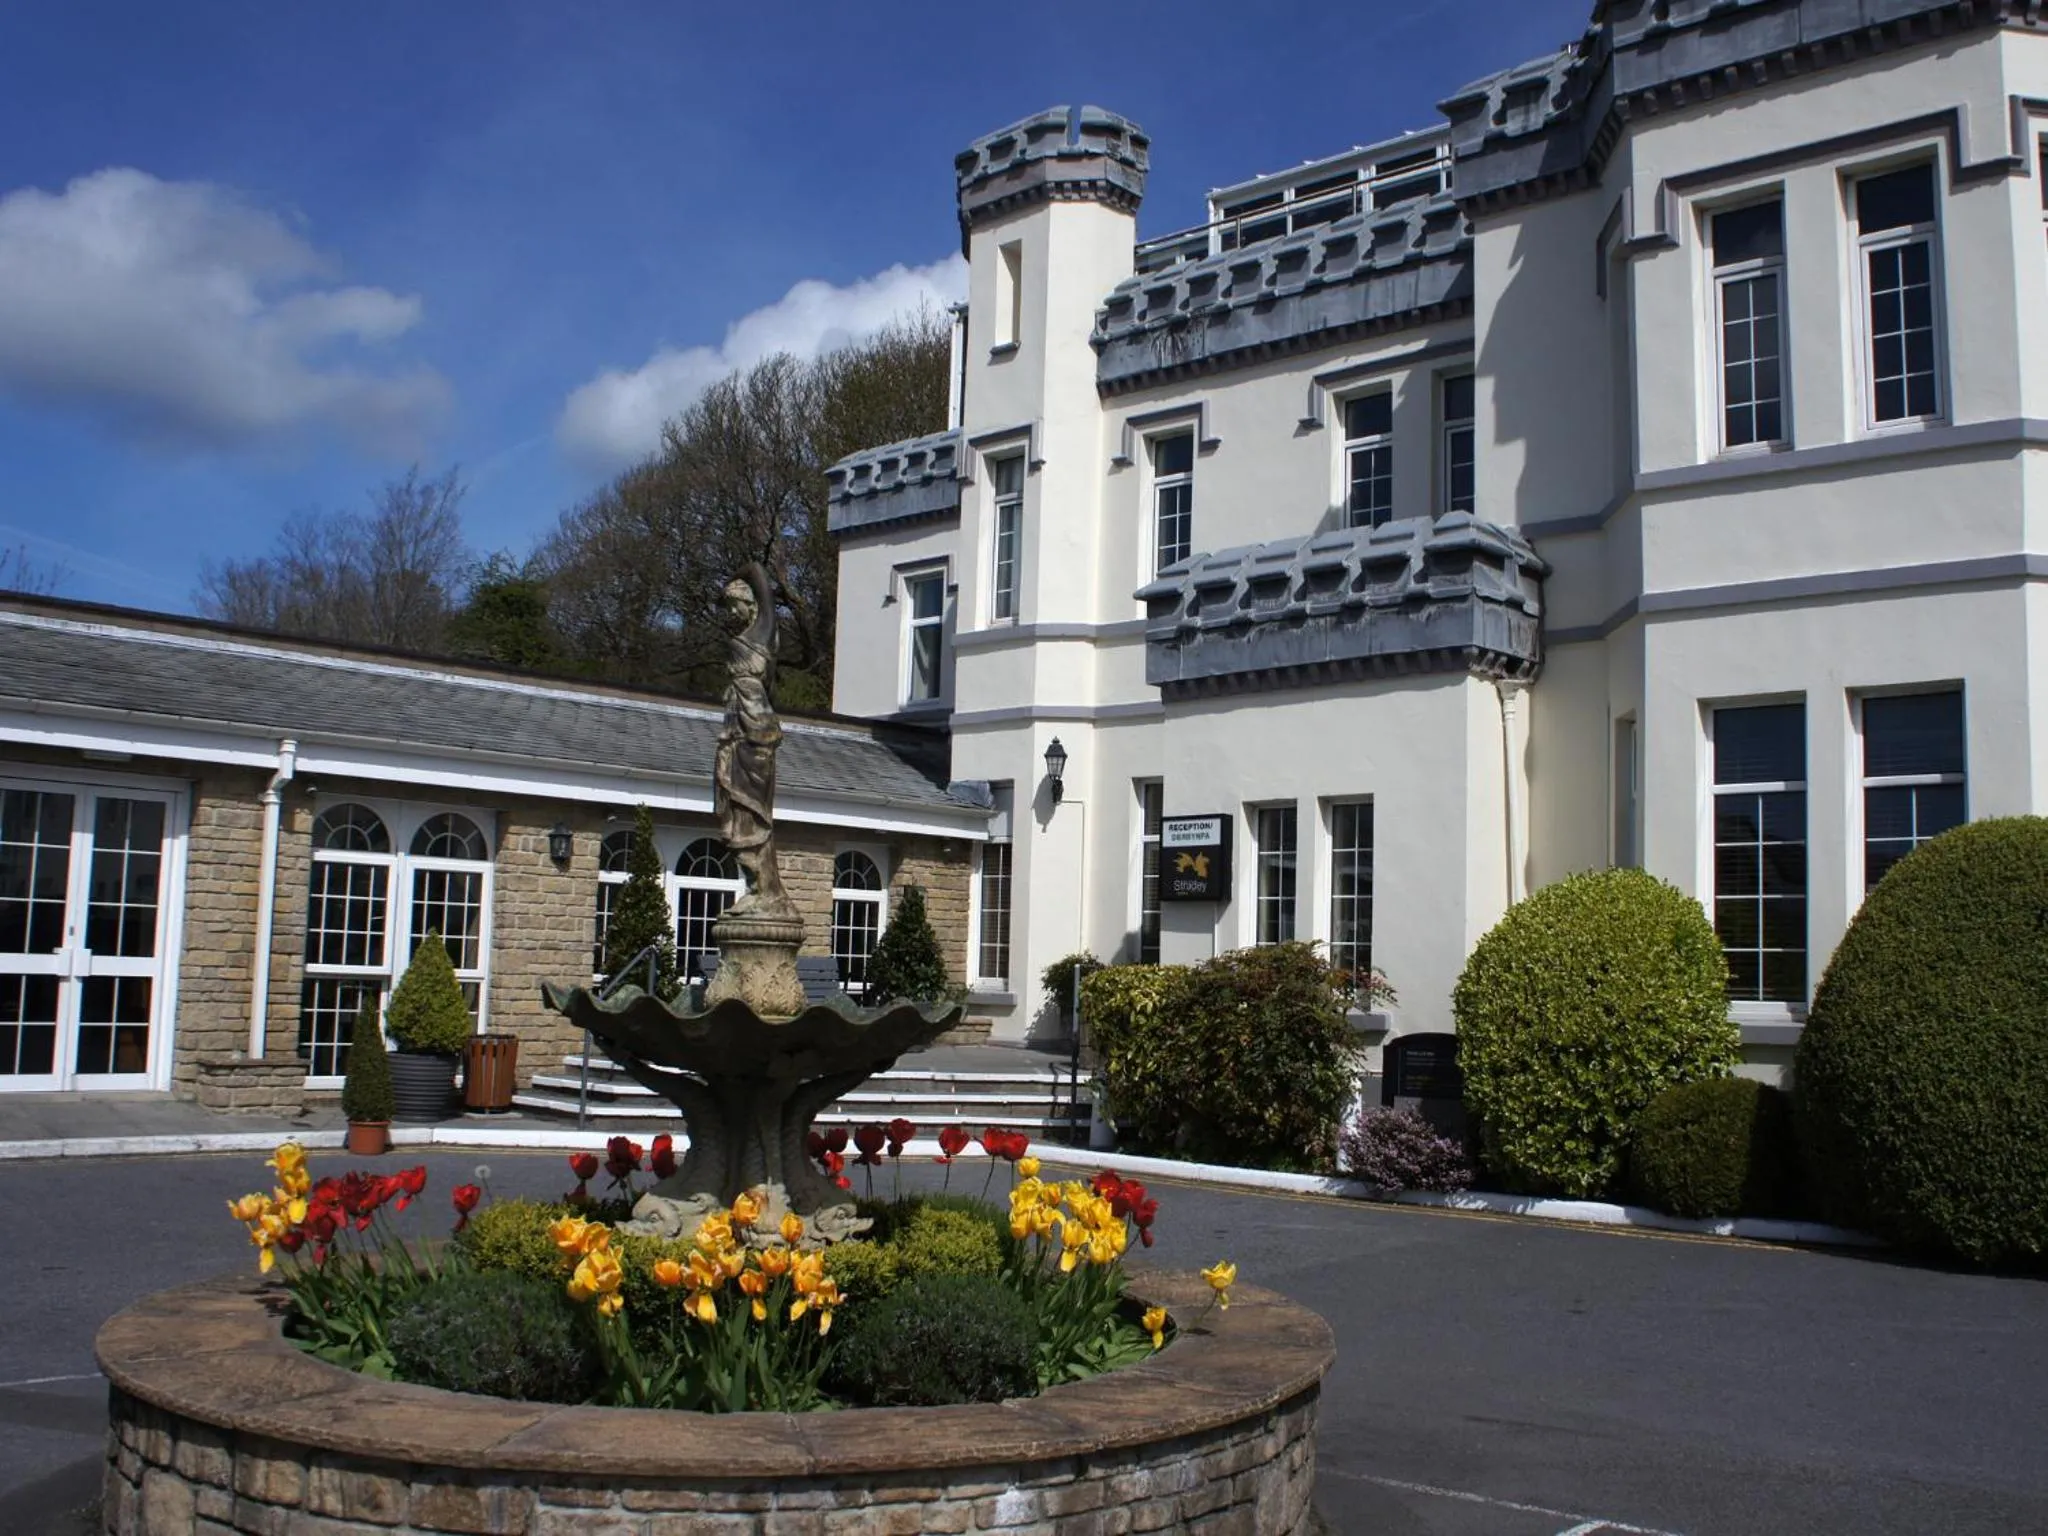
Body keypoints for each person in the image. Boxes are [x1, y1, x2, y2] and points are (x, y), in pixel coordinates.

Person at [714, 562, 790, 916]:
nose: (732, 613)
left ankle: (765, 889)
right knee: (729, 807)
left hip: (757, 731)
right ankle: (758, 886)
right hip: (734, 730)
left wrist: (737, 573)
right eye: (728, 607)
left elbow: (759, 573)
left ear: (752, 605)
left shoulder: (762, 631)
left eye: (736, 604)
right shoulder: (747, 636)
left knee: (753, 812)